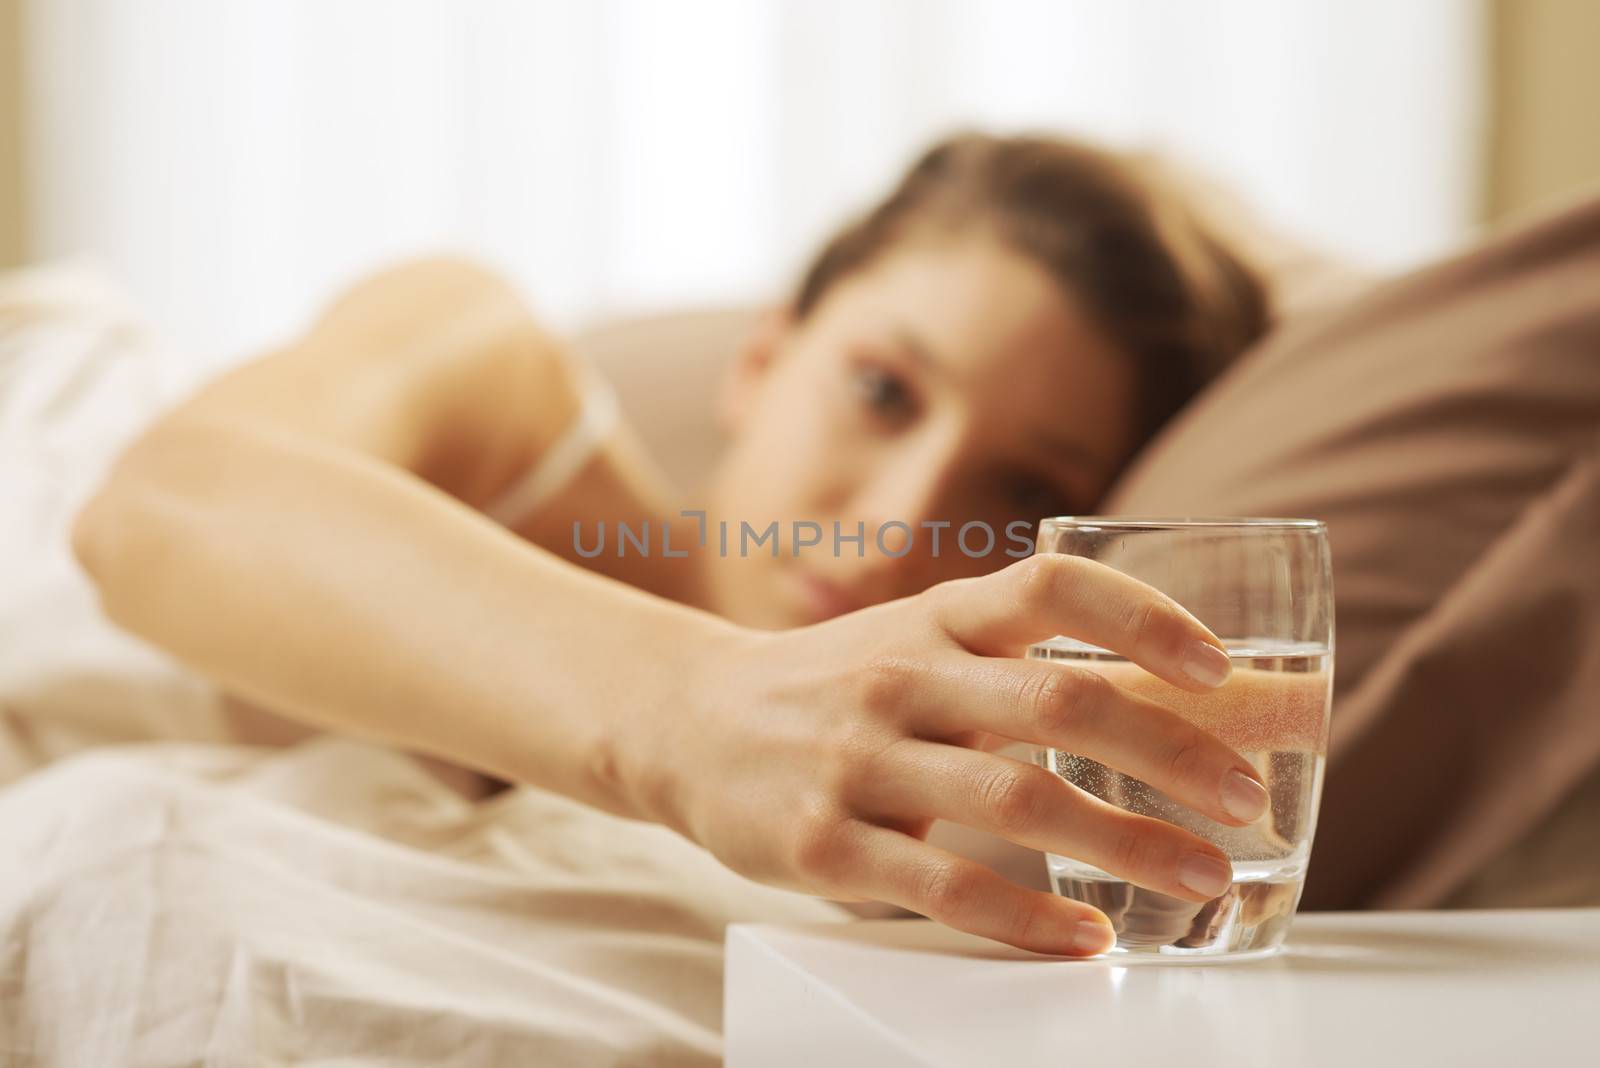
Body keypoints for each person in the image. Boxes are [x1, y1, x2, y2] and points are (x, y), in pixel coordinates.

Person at [71, 132, 1271, 957]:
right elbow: (155, 508)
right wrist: (683, 709)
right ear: (760, 360)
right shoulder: (492, 382)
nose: (901, 522)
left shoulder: (868, 849)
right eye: (882, 390)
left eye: (1020, 488)